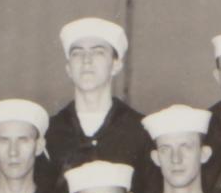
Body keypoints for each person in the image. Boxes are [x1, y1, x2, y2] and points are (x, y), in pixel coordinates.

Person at [44, 15, 151, 182]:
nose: (86, 61)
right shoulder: (49, 132)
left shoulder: (141, 131)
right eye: (77, 53)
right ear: (68, 68)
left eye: (98, 52)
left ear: (116, 65)